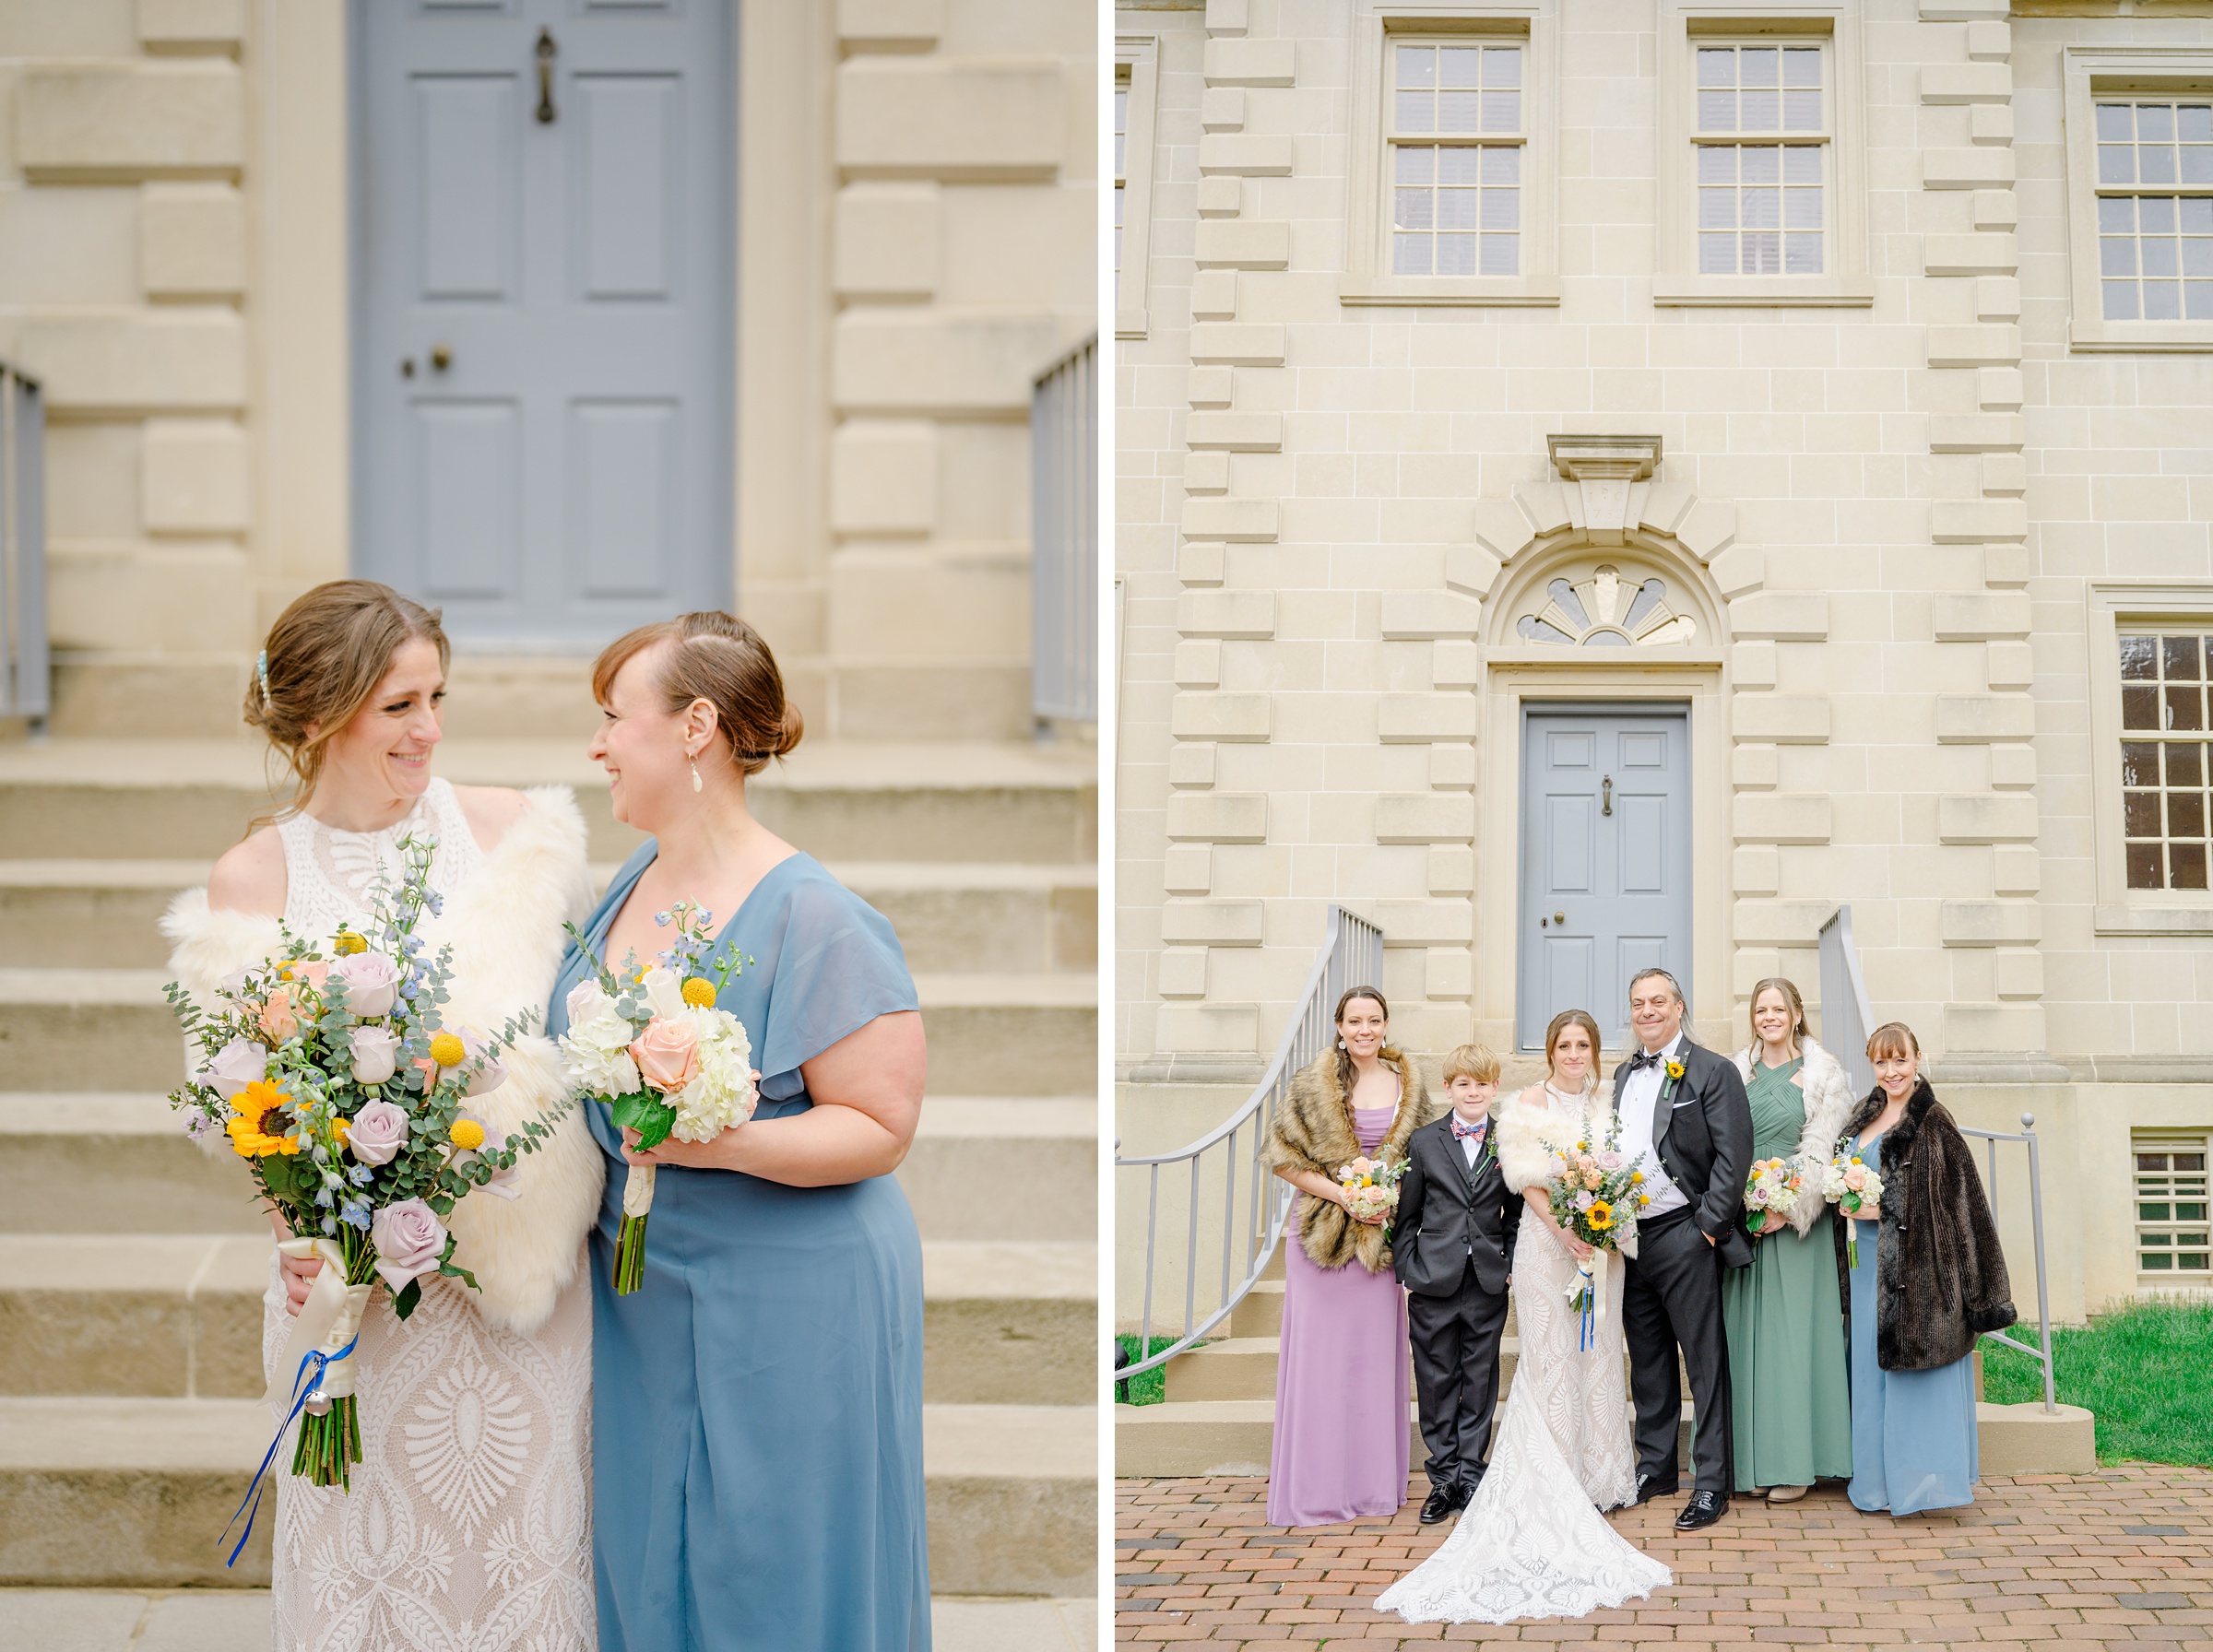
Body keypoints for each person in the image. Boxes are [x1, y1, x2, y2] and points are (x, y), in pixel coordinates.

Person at [163, 580, 603, 1651]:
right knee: (372, 1574)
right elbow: (243, 1099)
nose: (431, 730)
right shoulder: (255, 876)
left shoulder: (515, 836)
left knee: (525, 1569)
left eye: (437, 697)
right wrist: (298, 1226)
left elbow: (578, 1026)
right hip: (360, 1297)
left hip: (520, 1293)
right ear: (319, 714)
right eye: (399, 706)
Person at [545, 611, 930, 1649]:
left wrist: (725, 1140)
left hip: (791, 1296)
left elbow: (881, 1124)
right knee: (651, 1570)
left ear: (695, 727)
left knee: (774, 1578)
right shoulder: (627, 882)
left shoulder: (817, 914)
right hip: (647, 1296)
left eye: (614, 717)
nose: (597, 745)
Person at [1376, 1009, 1670, 1626]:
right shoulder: (1527, 1103)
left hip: (1601, 1248)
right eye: (1562, 1043)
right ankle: (1548, 1473)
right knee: (1550, 1356)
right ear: (1549, 1050)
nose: (1572, 1053)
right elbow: (1524, 1181)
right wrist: (1568, 1232)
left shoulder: (1607, 1103)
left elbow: (1619, 1169)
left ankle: (1599, 1476)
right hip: (1547, 1243)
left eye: (1581, 1044)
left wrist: (1602, 1221)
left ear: (1593, 1051)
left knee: (1596, 1356)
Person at [1260, 986, 1436, 1527]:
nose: (1364, 1030)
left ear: (1386, 1025)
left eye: (1374, 1020)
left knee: (1371, 1364)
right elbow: (1281, 1160)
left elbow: (1425, 1161)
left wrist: (1388, 1203)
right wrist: (1346, 1195)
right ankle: (1313, 1490)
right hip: (1320, 1241)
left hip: (1380, 1245)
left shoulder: (1410, 1085)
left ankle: (1371, 1488)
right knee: (1321, 1364)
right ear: (1338, 1026)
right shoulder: (1312, 1085)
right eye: (1354, 1020)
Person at [1838, 1022, 2016, 1517]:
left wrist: (1885, 1206)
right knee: (1872, 1373)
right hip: (1865, 1263)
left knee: (1914, 1376)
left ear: (1918, 1059)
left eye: (1900, 1060)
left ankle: (1920, 1487)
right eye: (1880, 1062)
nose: (1890, 1071)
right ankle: (1873, 1485)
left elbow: (1960, 1205)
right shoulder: (1861, 1117)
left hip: (1916, 1272)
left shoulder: (1935, 1122)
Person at [1615, 967, 1754, 1531]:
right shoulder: (1623, 1073)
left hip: (1685, 1231)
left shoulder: (1712, 1070)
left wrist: (1709, 1227)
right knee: (1647, 1361)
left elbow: (1733, 1154)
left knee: (1703, 1361)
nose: (1647, 1011)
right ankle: (1657, 1467)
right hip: (1630, 1234)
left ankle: (1713, 1481)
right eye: (1638, 1004)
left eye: (1658, 1002)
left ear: (1678, 1007)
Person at [1722, 977, 1854, 1503]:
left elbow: (1822, 1150)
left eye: (1779, 1008)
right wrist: (1745, 1205)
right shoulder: (1735, 1072)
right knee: (1746, 1341)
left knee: (1795, 1342)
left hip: (1798, 1226)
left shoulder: (1825, 1075)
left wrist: (1785, 1205)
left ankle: (1798, 1462)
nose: (1769, 1016)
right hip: (1744, 1223)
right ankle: (1750, 1463)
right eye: (1761, 1009)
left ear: (1797, 1014)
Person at [1392, 1043, 1519, 1524]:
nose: (1472, 1092)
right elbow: (1408, 1216)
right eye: (1463, 1084)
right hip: (1433, 1279)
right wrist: (1407, 1271)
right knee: (1437, 1378)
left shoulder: (1506, 1140)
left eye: (1481, 1084)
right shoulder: (1425, 1141)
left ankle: (1470, 1473)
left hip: (1486, 1278)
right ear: (1448, 1088)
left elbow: (1516, 1212)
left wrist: (1506, 1260)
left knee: (1480, 1378)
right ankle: (1442, 1477)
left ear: (1494, 1088)